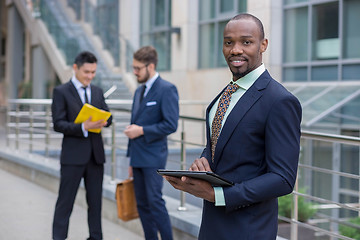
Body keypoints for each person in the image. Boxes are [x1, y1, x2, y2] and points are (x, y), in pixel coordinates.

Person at [164, 13, 302, 240]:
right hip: (212, 224)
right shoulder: (224, 95)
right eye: (229, 42)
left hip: (248, 229)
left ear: (263, 45)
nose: (235, 49)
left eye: (246, 42)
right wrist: (203, 162)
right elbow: (220, 144)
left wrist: (219, 195)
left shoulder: (279, 101)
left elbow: (283, 178)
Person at [51, 51, 112, 240]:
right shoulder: (61, 92)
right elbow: (58, 123)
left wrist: (104, 121)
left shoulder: (97, 91)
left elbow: (108, 116)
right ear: (75, 68)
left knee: (95, 204)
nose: (90, 76)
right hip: (72, 157)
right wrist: (83, 127)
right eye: (87, 72)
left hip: (95, 158)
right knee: (65, 203)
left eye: (93, 72)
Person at [124, 46, 179, 240]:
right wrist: (130, 160)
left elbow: (170, 125)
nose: (135, 72)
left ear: (151, 66)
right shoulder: (139, 91)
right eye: (134, 67)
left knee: (155, 202)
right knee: (142, 205)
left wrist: (141, 131)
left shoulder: (167, 89)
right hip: (137, 158)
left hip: (154, 157)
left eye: (138, 68)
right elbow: (134, 122)